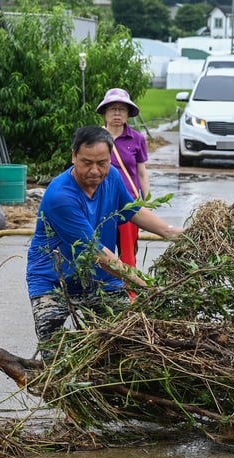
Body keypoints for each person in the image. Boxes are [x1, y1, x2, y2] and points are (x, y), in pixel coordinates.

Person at [25, 126, 183, 354]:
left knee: (125, 344)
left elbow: (133, 210)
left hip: (101, 279)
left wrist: (171, 232)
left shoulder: (113, 178)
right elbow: (96, 252)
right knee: (57, 354)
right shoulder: (60, 197)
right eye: (87, 162)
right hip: (53, 281)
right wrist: (145, 285)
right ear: (73, 156)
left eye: (102, 162)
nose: (95, 171)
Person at [96, 88, 150, 272]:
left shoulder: (137, 139)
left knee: (127, 255)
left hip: (128, 205)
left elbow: (141, 173)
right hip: (100, 203)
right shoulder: (94, 138)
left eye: (122, 109)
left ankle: (131, 295)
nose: (117, 113)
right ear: (104, 113)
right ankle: (103, 291)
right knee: (100, 251)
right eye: (112, 109)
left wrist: (146, 202)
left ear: (128, 114)